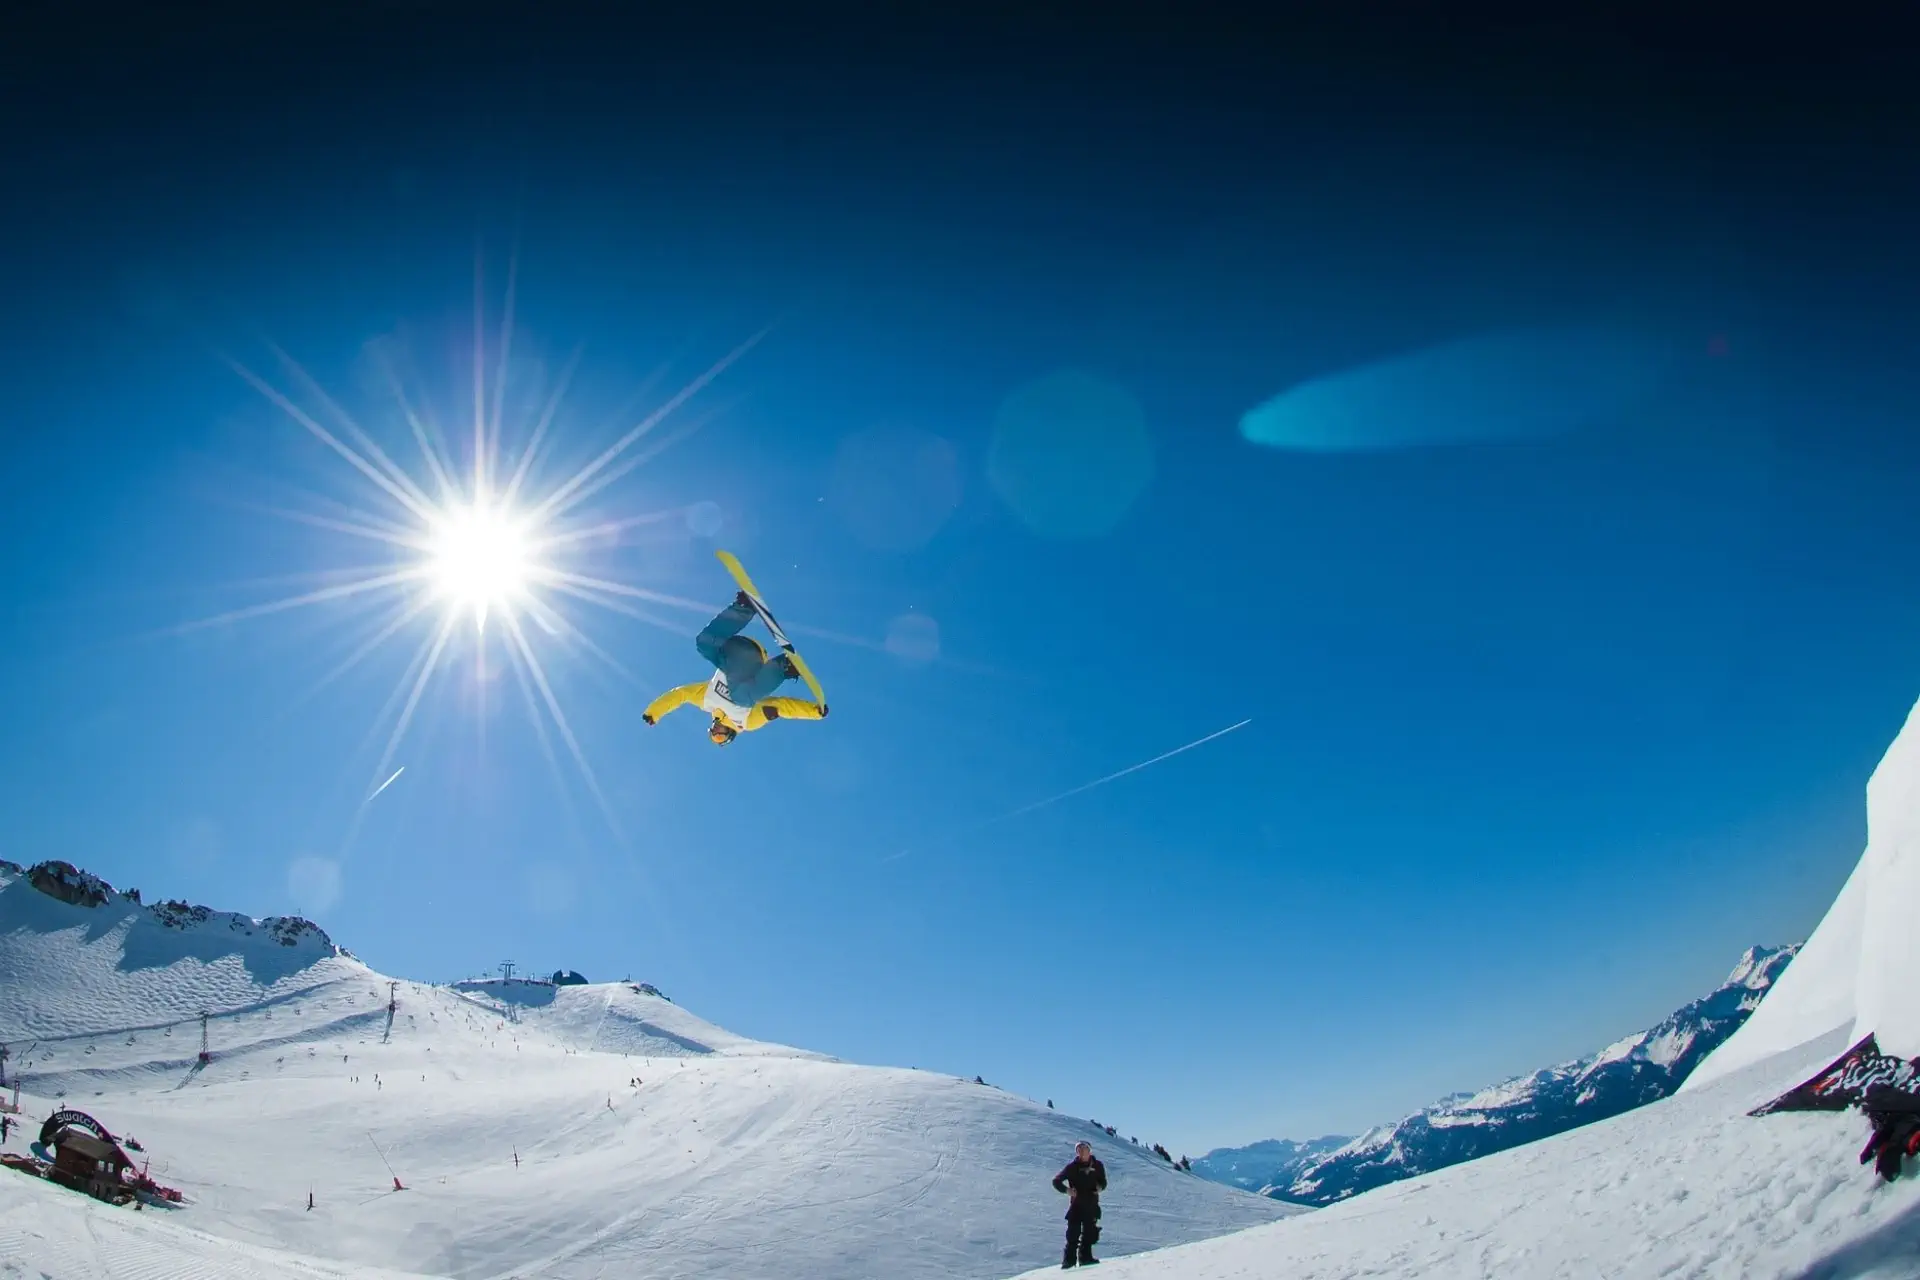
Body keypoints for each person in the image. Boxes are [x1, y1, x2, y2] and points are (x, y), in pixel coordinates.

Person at [642, 591, 827, 745]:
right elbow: (779, 706)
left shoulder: (705, 700)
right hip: (754, 662)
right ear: (729, 736)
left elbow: (678, 695)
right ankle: (785, 666)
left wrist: (653, 713)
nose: (715, 731)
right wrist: (813, 712)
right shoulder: (746, 722)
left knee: (703, 644)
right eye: (718, 736)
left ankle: (743, 609)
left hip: (731, 652)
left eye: (712, 733)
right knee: (741, 698)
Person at [1052, 1140, 1107, 1267]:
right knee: (1073, 1235)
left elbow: (1103, 1181)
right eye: (1079, 1150)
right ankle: (1069, 1262)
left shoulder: (1098, 1165)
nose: (1081, 1152)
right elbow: (1056, 1181)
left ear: (1089, 1150)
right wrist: (1067, 1190)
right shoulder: (1072, 1167)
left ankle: (1085, 1259)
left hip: (1092, 1204)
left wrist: (1100, 1187)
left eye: (1084, 1149)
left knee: (1090, 1234)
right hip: (1076, 1206)